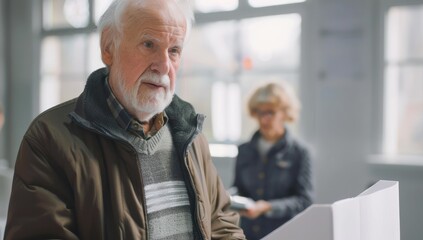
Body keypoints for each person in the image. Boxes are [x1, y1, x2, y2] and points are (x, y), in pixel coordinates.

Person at [4, 0, 245, 239]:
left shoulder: (190, 135)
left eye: (174, 51)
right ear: (108, 47)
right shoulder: (50, 138)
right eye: (149, 44)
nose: (163, 66)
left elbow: (221, 224)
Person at [231, 82, 313, 240]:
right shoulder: (244, 150)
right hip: (248, 234)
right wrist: (228, 199)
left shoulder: (300, 153)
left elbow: (305, 200)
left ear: (284, 113)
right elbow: (238, 188)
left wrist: (268, 207)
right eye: (260, 113)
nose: (264, 119)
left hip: (285, 233)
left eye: (270, 112)